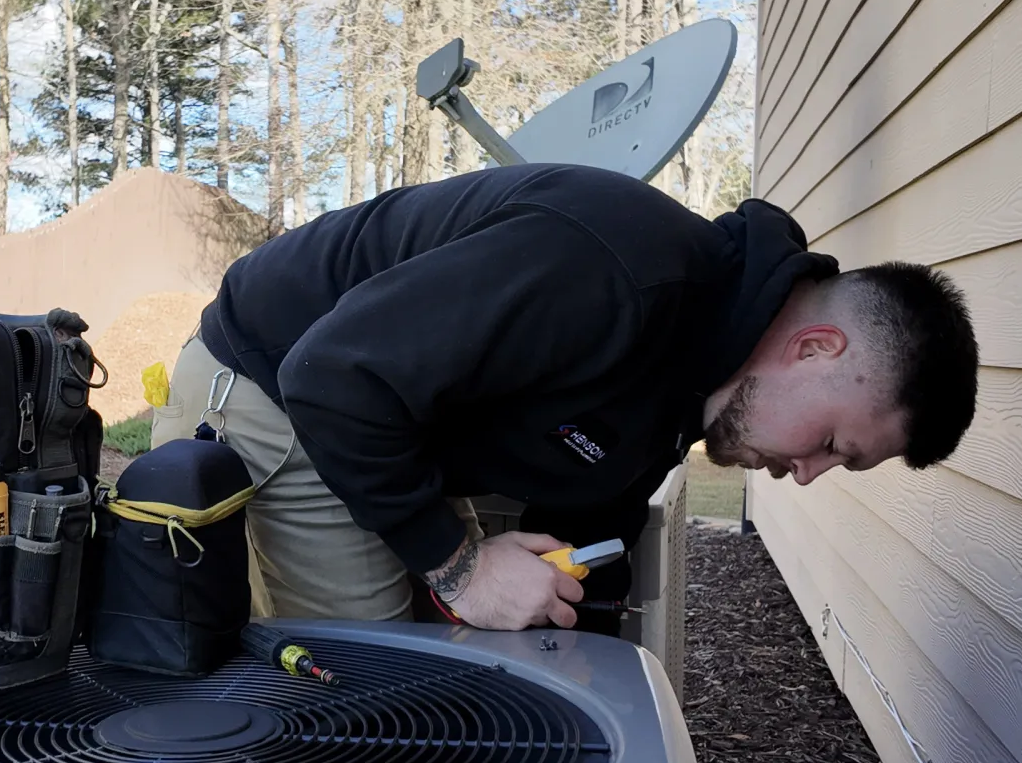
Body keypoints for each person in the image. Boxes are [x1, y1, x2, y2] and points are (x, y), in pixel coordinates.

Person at [147, 162, 979, 633]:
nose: (806, 474)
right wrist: (461, 564)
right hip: (279, 389)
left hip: (386, 423)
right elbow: (335, 378)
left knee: (459, 656)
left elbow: (587, 534)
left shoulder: (692, 383)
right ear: (817, 348)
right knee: (372, 686)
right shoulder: (614, 266)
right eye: (835, 443)